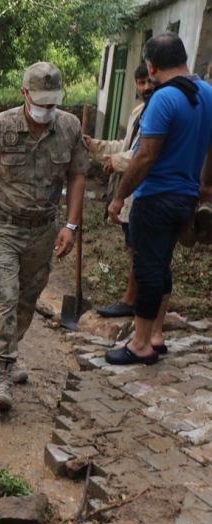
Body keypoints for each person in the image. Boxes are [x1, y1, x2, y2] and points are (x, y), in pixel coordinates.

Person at [0, 62, 88, 410]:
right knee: (4, 294)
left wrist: (71, 225)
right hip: (2, 224)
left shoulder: (70, 127)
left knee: (27, 301)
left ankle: (8, 355)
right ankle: (0, 375)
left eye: (52, 102)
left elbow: (77, 176)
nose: (46, 109)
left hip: (43, 229)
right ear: (24, 94)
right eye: (39, 101)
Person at [104, 33, 212, 366]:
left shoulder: (163, 99)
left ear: (151, 66)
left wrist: (119, 196)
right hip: (186, 198)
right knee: (162, 266)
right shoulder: (208, 94)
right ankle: (155, 335)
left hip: (156, 198)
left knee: (148, 270)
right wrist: (204, 188)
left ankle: (140, 345)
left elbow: (146, 155)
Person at [84, 64, 155, 318]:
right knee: (132, 248)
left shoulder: (162, 111)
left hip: (146, 191)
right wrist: (95, 146)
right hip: (133, 193)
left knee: (141, 251)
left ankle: (133, 301)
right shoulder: (140, 111)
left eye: (148, 81)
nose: (145, 87)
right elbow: (126, 145)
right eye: (140, 83)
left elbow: (144, 155)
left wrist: (118, 162)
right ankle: (132, 298)